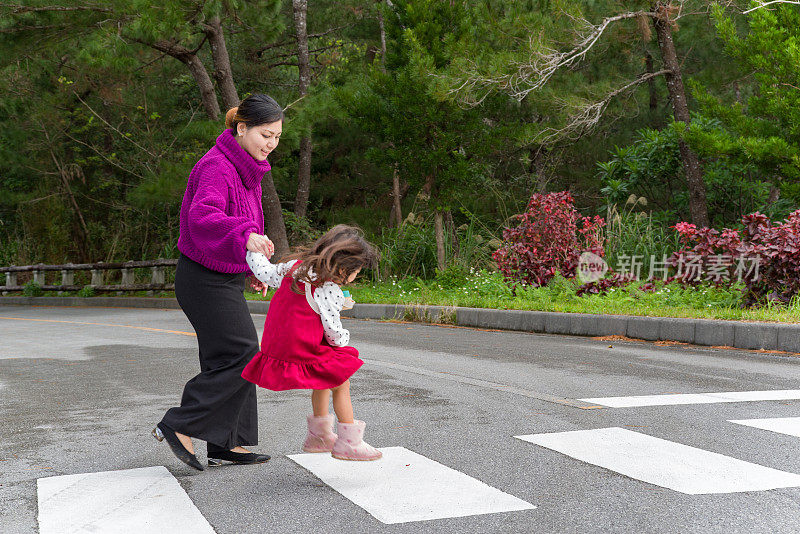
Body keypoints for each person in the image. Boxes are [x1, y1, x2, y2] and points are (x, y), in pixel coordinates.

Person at [153, 94, 283, 470]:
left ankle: (228, 442)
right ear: (242, 129)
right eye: (264, 134)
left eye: (276, 136)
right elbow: (204, 217)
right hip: (202, 279)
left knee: (223, 359)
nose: (271, 143)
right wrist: (245, 235)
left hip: (223, 278)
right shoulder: (217, 166)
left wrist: (251, 269)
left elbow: (237, 229)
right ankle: (180, 422)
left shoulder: (248, 170)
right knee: (244, 354)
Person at [243, 225, 383, 461]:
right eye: (355, 271)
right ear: (342, 267)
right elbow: (333, 332)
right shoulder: (327, 289)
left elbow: (264, 271)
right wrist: (343, 342)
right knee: (340, 379)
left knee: (324, 375)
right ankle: (349, 442)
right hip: (299, 347)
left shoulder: (295, 268)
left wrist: (256, 249)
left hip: (276, 347)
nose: (355, 276)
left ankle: (320, 437)